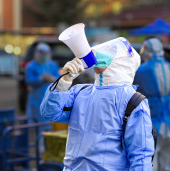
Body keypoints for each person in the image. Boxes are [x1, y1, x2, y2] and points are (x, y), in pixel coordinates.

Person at [41, 37, 154, 171]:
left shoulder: (133, 101)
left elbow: (140, 157)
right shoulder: (80, 92)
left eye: (110, 53)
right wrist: (63, 82)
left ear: (122, 62)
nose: (100, 56)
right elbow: (49, 113)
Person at [134, 38, 170, 171]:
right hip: (169, 122)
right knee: (167, 163)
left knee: (150, 163)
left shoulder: (140, 71)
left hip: (150, 124)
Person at [26, 42, 60, 123]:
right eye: (42, 54)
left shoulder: (52, 65)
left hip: (50, 97)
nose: (44, 56)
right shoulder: (31, 66)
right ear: (37, 53)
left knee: (49, 121)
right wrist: (41, 79)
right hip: (36, 98)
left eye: (46, 54)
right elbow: (28, 81)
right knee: (37, 120)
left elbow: (59, 78)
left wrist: (53, 79)